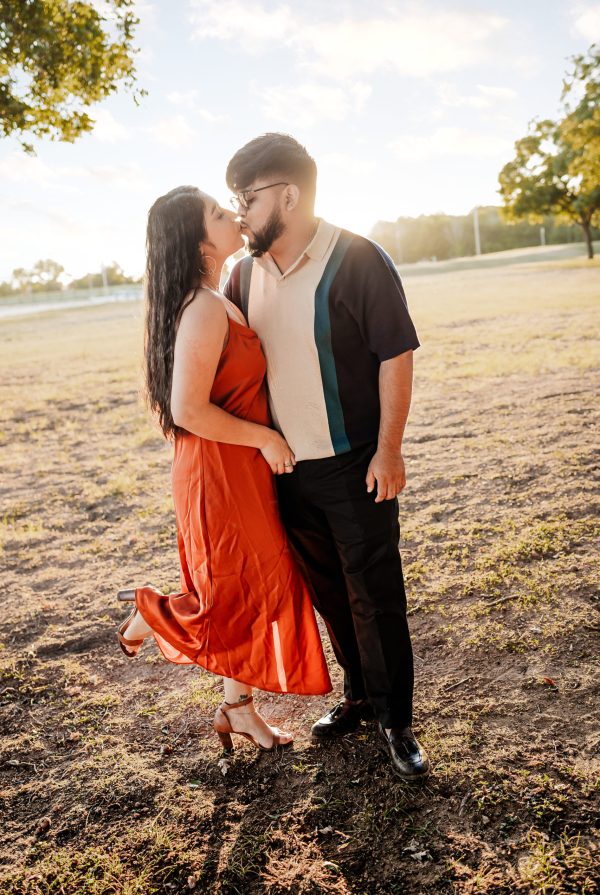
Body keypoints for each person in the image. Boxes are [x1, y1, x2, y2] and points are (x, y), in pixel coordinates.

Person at [224, 134, 430, 780]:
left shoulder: (359, 257)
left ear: (287, 195)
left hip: (354, 464)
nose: (239, 215)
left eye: (247, 199)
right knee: (331, 595)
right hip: (284, 472)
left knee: (375, 594)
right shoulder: (241, 273)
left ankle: (396, 720)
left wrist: (389, 449)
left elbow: (396, 352)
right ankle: (360, 698)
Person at [117, 185, 332, 753]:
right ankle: (156, 614)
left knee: (262, 588)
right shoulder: (205, 306)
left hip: (237, 469)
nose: (232, 214)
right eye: (217, 212)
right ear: (198, 241)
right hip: (218, 469)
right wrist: (264, 437)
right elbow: (188, 410)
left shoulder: (219, 295)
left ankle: (237, 710)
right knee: (239, 590)